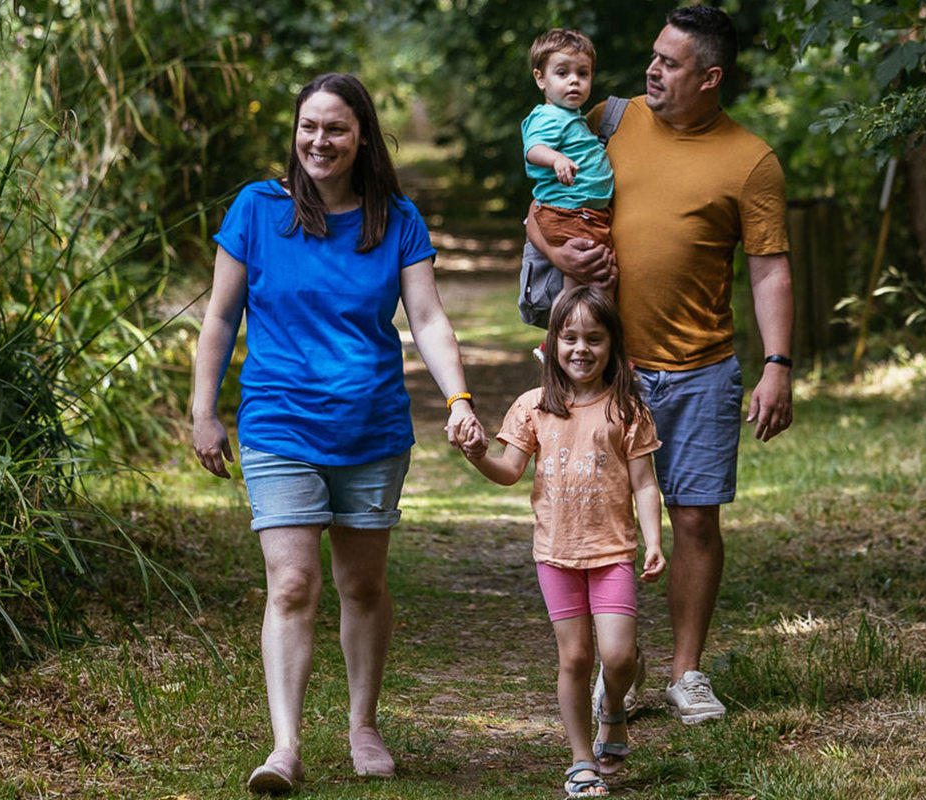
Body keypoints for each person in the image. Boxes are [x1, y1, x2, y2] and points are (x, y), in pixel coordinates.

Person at [191, 72, 486, 793]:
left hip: (371, 427)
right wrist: (204, 408)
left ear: (361, 139)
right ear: (295, 134)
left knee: (362, 583)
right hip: (279, 421)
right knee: (292, 583)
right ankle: (285, 747)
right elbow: (221, 317)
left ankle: (362, 723)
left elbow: (428, 319)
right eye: (309, 127)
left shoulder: (396, 219)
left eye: (336, 129)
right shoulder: (258, 211)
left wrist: (459, 396)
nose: (320, 141)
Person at [526, 5, 795, 725]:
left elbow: (770, 269)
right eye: (654, 56)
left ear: (709, 77)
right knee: (608, 525)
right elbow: (539, 202)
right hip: (612, 370)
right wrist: (556, 254)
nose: (652, 70)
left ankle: (686, 673)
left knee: (696, 522)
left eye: (671, 63)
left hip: (703, 368)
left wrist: (778, 364)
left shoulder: (751, 160)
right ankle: (621, 671)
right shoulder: (610, 117)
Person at [460, 286, 665, 798]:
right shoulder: (534, 408)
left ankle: (612, 706)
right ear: (551, 344)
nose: (581, 348)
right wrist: (477, 455)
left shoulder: (627, 410)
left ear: (613, 346)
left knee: (617, 657)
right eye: (569, 337)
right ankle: (581, 760)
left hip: (613, 551)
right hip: (556, 553)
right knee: (574, 658)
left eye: (594, 338)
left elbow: (644, 483)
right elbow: (508, 471)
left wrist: (655, 541)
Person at [521, 28, 615, 298]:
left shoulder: (572, 117)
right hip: (569, 213)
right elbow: (533, 149)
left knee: (600, 279)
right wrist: (556, 159)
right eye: (562, 73)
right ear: (541, 79)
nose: (574, 81)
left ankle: (576, 329)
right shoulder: (548, 116)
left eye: (582, 74)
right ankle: (568, 331)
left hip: (585, 213)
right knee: (584, 282)